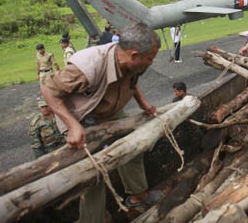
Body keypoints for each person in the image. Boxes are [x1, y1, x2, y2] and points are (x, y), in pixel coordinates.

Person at [41, 23, 163, 222]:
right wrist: (72, 125)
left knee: (135, 143)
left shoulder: (134, 63)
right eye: (150, 58)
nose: (152, 62)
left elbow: (133, 80)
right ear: (133, 55)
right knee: (93, 175)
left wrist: (143, 103)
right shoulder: (88, 66)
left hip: (111, 111)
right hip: (82, 118)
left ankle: (137, 196)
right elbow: (49, 90)